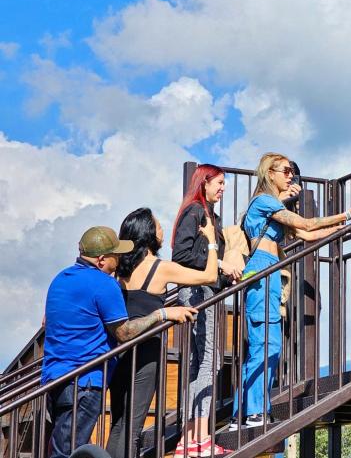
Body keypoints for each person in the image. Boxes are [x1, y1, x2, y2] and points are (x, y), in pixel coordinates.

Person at [230, 152, 351, 428]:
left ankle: (246, 412)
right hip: (263, 271)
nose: (290, 175)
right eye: (285, 170)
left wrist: (346, 226)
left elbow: (308, 235)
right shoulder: (263, 201)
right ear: (270, 173)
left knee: (267, 344)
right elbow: (306, 224)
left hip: (268, 270)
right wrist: (347, 213)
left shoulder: (271, 206)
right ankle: (252, 412)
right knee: (266, 344)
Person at [42, 226, 196, 458]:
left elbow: (47, 323)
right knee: (67, 453)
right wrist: (162, 314)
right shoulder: (103, 284)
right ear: (102, 259)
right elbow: (123, 332)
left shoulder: (60, 280)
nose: (121, 258)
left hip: (55, 379)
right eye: (116, 254)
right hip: (84, 381)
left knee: (64, 446)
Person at [106, 208, 219, 458]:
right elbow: (209, 276)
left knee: (118, 423)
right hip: (146, 352)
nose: (163, 231)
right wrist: (211, 241)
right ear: (147, 234)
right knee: (133, 427)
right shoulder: (160, 268)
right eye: (158, 227)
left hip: (119, 349)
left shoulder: (120, 271)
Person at [171, 164, 243, 455]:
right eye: (220, 183)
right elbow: (181, 255)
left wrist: (227, 272)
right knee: (209, 362)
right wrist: (220, 263)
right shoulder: (195, 212)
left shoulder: (209, 215)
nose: (223, 188)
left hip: (206, 290)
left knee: (198, 363)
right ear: (204, 183)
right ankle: (198, 439)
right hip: (200, 293)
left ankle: (190, 440)